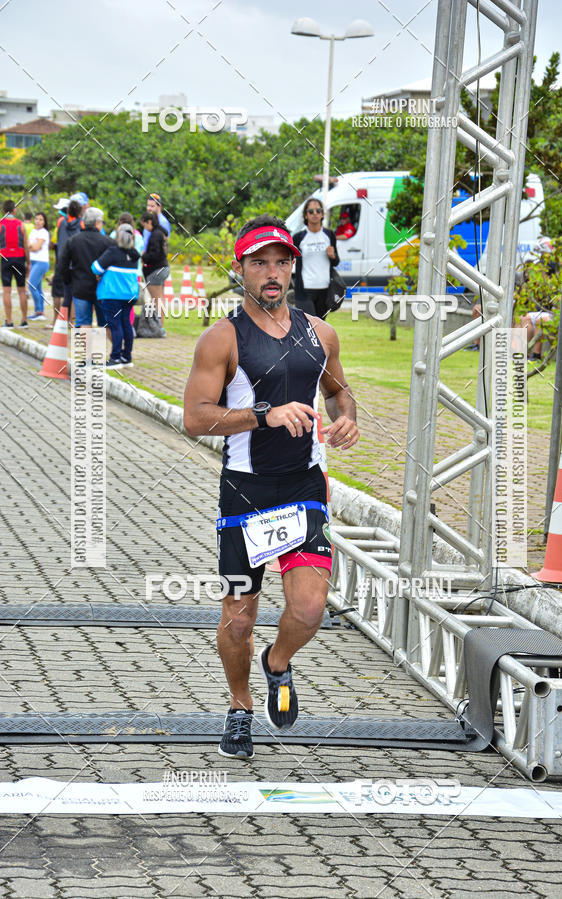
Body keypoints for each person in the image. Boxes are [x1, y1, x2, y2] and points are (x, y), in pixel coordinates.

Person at [183, 214, 359, 760]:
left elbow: (338, 392)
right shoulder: (222, 339)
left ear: (292, 266)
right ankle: (240, 707)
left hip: (304, 487)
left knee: (308, 610)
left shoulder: (320, 333)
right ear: (241, 270)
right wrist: (263, 414)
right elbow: (195, 418)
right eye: (259, 263)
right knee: (239, 614)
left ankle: (277, 664)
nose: (273, 272)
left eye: (281, 261)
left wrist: (347, 415)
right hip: (245, 493)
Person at [92, 223, 139, 368]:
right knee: (126, 324)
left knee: (115, 325)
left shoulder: (113, 252)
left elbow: (96, 267)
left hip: (112, 295)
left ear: (118, 236)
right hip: (130, 295)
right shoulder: (135, 255)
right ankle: (127, 356)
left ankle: (115, 357)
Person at [58, 207, 113, 328]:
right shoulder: (107, 242)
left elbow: (62, 264)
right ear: (97, 223)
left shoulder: (73, 241)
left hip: (80, 286)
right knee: (103, 325)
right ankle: (99, 347)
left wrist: (69, 280)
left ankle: (83, 347)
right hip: (102, 288)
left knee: (83, 323)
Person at [292, 197, 340, 319]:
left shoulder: (329, 235)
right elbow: (290, 261)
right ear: (305, 215)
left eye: (318, 211)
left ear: (322, 214)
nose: (315, 214)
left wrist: (332, 256)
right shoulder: (298, 237)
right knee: (309, 324)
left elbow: (336, 262)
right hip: (305, 289)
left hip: (325, 288)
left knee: (321, 325)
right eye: (311, 211)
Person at [51, 198, 82, 327]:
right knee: (75, 294)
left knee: (66, 293)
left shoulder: (61, 223)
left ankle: (61, 321)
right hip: (76, 263)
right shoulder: (81, 224)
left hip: (63, 262)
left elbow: (56, 242)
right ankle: (71, 320)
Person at [0, 200, 30, 329]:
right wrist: (28, 262)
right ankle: (24, 320)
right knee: (21, 290)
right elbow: (26, 246)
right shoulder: (21, 225)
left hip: (6, 259)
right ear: (14, 210)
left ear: (3, 211)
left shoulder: (0, 224)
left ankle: (9, 321)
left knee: (6, 291)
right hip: (19, 259)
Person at [140, 211, 169, 334]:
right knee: (160, 298)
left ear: (149, 222)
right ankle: (160, 325)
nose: (144, 228)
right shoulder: (161, 232)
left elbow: (155, 254)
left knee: (156, 299)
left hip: (155, 270)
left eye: (144, 225)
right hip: (163, 268)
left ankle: (158, 327)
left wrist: (144, 257)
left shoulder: (155, 235)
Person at [27, 212, 50, 321]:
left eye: (41, 219)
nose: (38, 221)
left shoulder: (44, 232)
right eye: (36, 219)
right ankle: (41, 313)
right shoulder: (33, 232)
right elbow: (29, 246)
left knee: (31, 285)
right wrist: (32, 246)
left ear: (44, 222)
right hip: (33, 261)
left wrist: (31, 246)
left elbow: (36, 247)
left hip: (41, 262)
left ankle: (38, 311)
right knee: (39, 288)